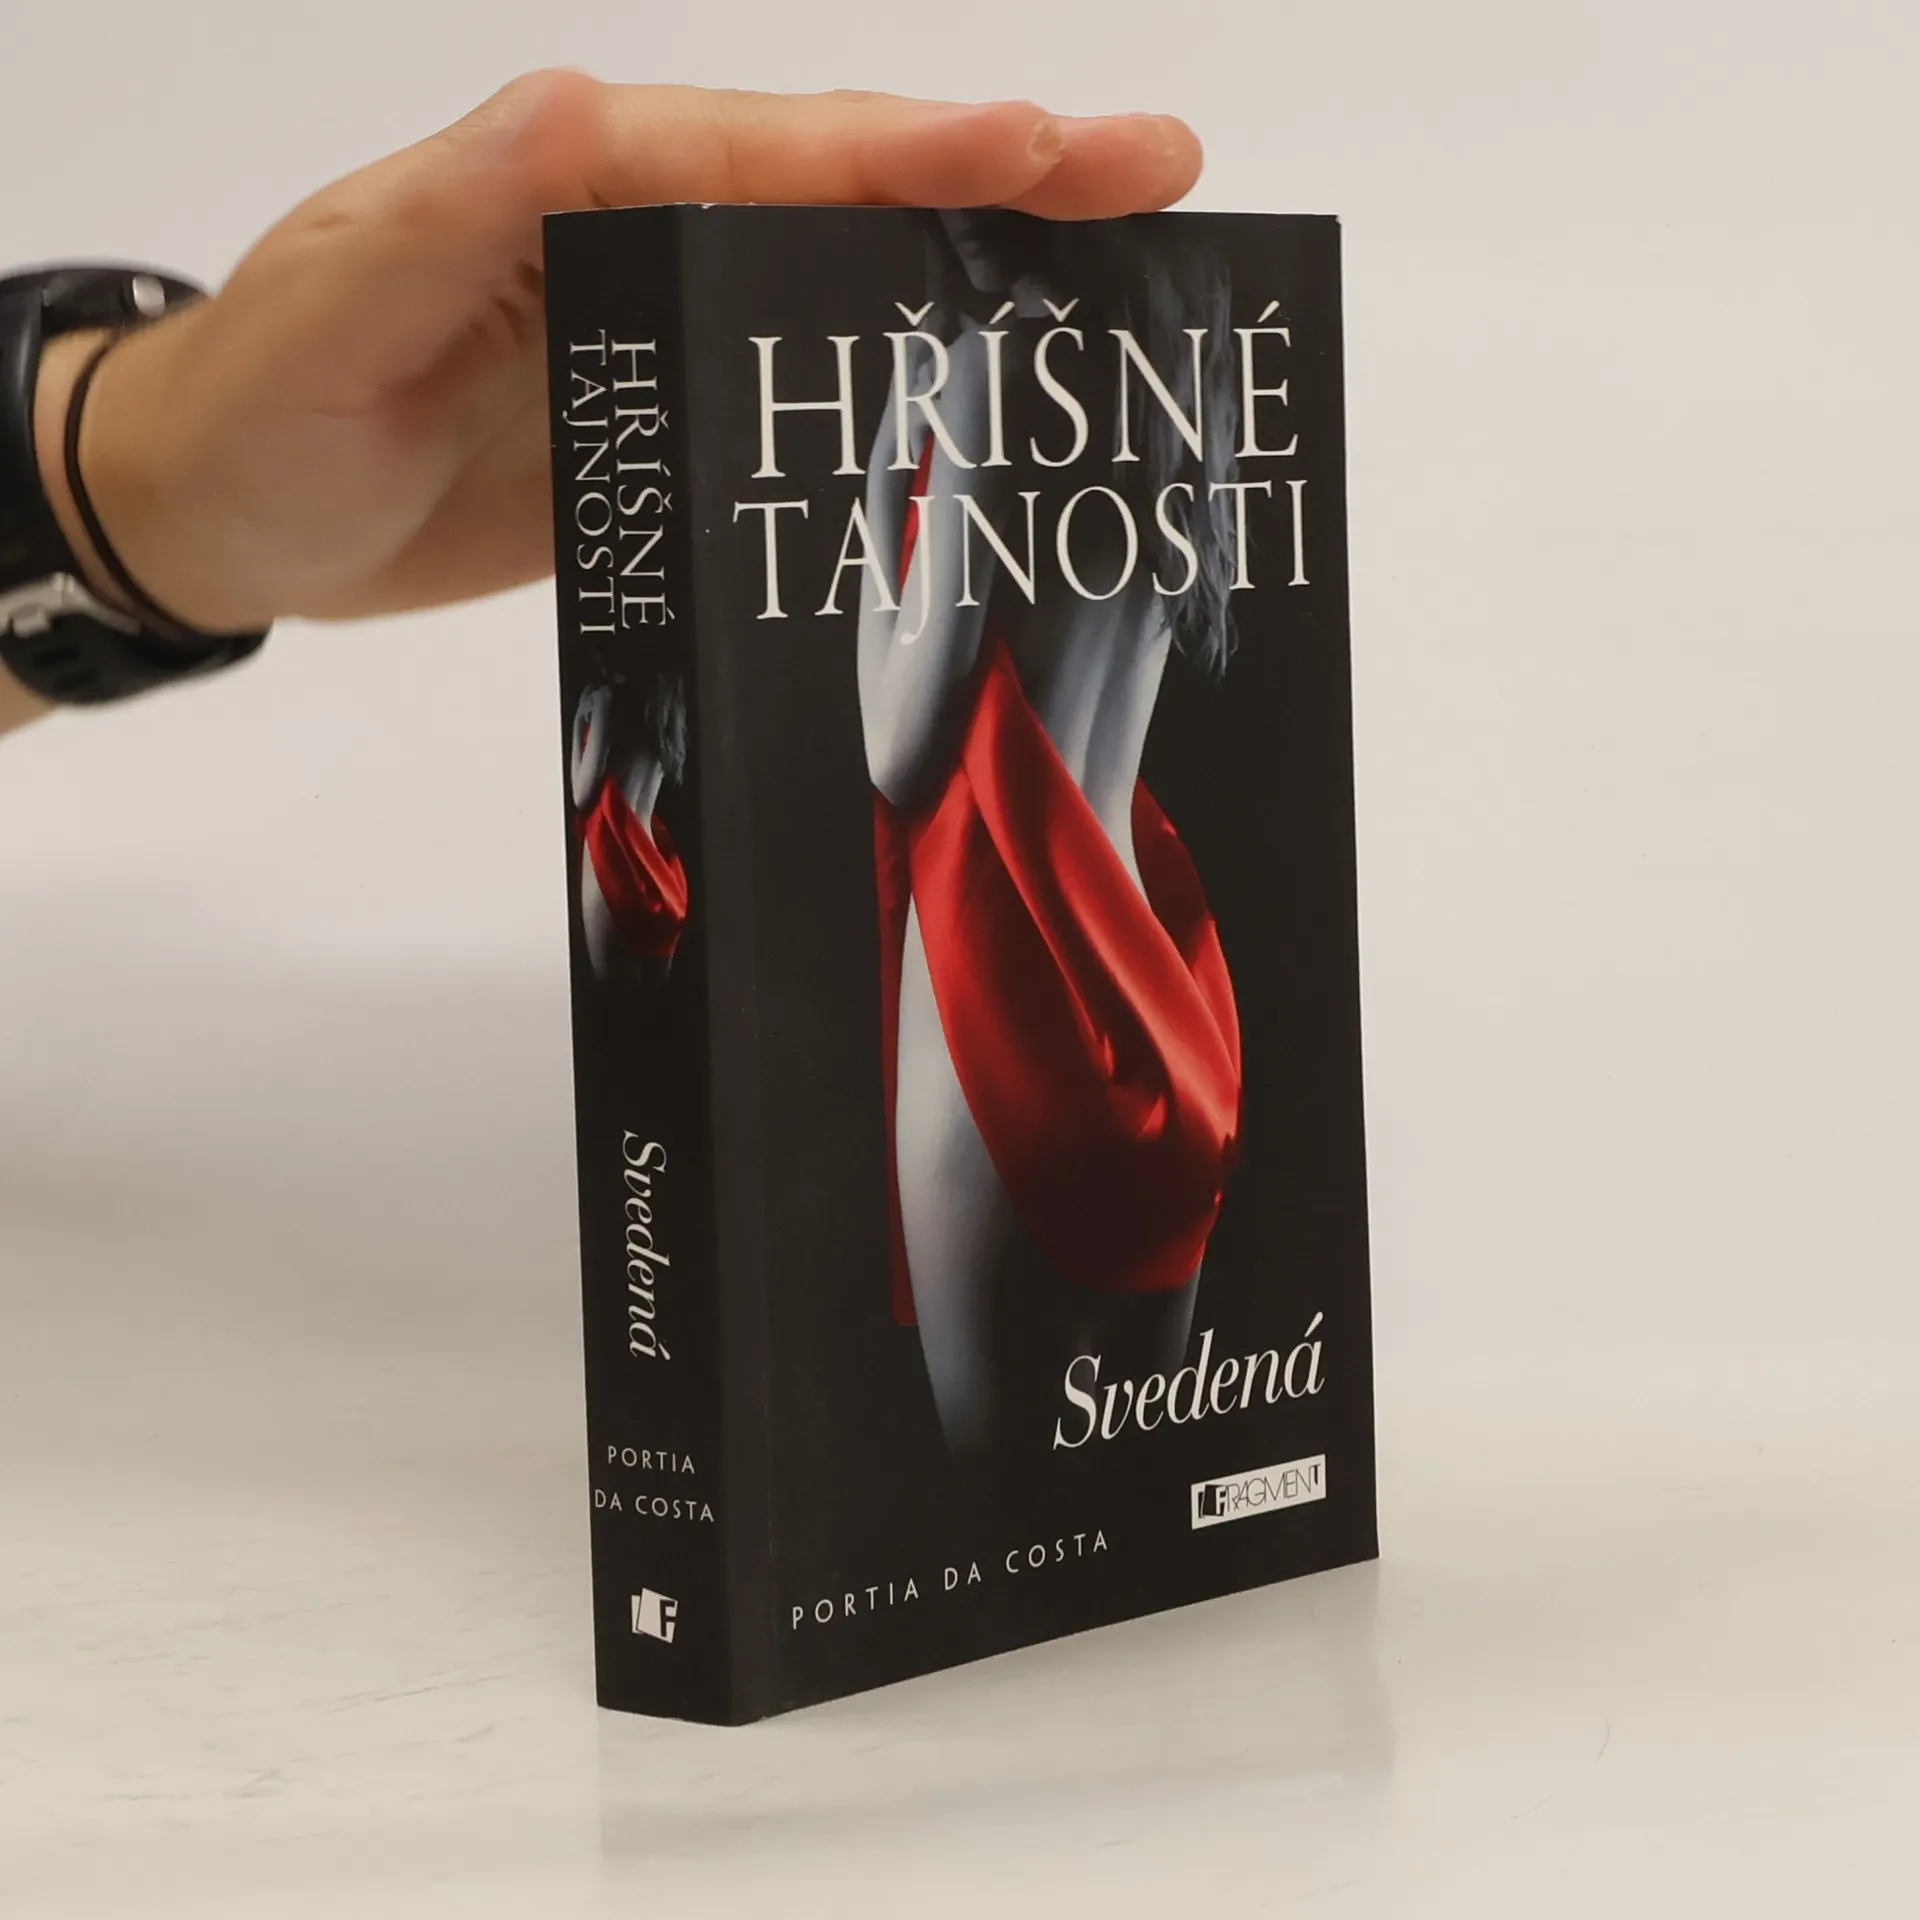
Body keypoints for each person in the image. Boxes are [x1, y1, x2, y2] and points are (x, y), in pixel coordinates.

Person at [0, 76, 1201, 736]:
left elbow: (899, 744)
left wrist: (906, 416)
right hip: (1157, 970)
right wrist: (118, 484)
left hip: (1001, 971)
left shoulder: (974, 378)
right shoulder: (1174, 432)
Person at [856, 211, 1244, 1453]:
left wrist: (887, 458)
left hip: (1004, 1012)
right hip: (1167, 1014)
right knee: (1141, 1496)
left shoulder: (991, 368)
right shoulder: (1185, 392)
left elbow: (895, 750)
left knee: (997, 1505)